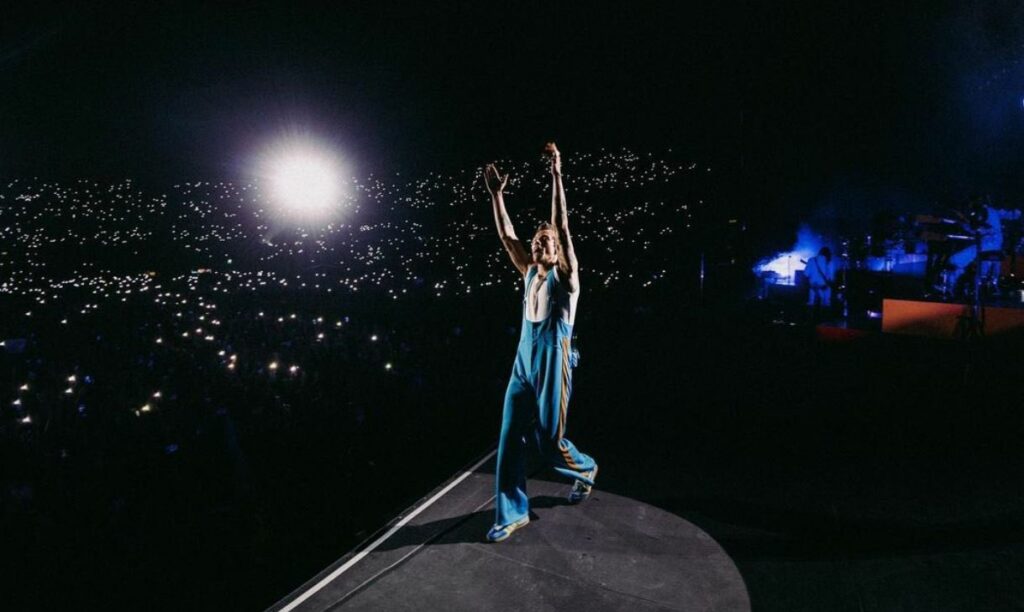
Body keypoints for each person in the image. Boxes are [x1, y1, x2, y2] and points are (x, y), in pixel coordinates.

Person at [481, 143, 598, 543]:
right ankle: (512, 513)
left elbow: (562, 227)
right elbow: (507, 235)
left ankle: (585, 469)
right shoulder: (529, 272)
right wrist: (497, 196)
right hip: (524, 359)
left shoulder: (566, 278)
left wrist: (557, 174)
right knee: (509, 435)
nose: (538, 242)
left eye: (544, 240)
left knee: (550, 443)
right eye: (536, 240)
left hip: (553, 358)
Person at [805, 246, 835, 317]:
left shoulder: (811, 260)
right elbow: (832, 278)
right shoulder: (830, 262)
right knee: (825, 308)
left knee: (812, 306)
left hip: (813, 288)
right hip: (825, 289)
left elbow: (806, 274)